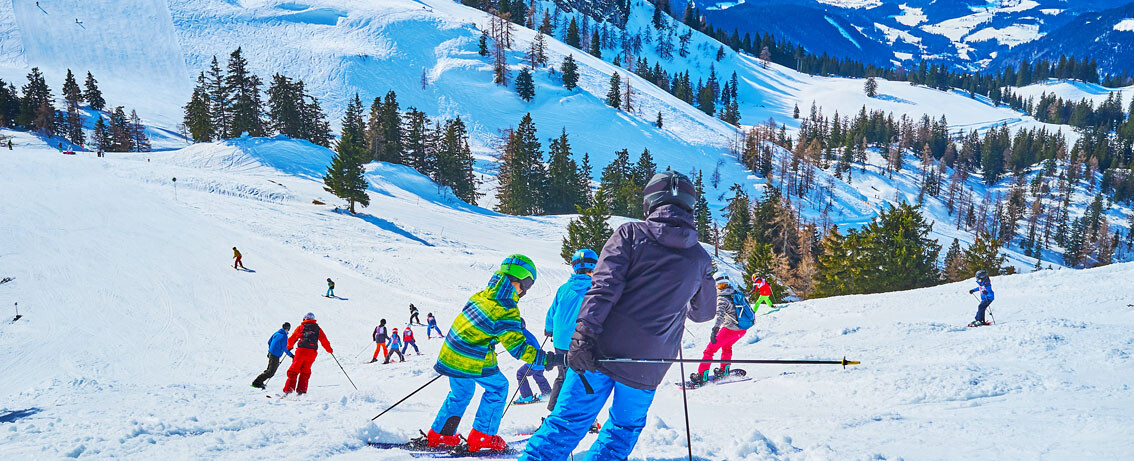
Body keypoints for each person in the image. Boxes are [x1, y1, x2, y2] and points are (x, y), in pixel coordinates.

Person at [521, 170, 715, 461]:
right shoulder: (700, 257)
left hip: (598, 354)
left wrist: (581, 338)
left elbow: (602, 290)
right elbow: (704, 313)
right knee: (620, 432)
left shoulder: (630, 234)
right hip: (649, 365)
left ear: (650, 203)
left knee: (565, 425)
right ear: (690, 206)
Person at [422, 254, 552, 453]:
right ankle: (482, 437)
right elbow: (518, 348)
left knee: (461, 393)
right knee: (498, 388)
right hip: (471, 357)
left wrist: (511, 326)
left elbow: (482, 323)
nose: (525, 292)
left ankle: (441, 435)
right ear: (520, 282)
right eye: (527, 285)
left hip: (451, 352)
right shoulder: (506, 307)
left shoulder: (481, 295)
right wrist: (546, 359)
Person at [542, 248, 597, 412]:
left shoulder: (564, 288)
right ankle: (578, 416)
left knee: (562, 376)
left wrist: (549, 329)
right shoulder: (593, 289)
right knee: (582, 378)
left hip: (560, 341)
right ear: (593, 268)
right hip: (579, 341)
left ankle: (553, 411)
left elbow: (552, 312)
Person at [691, 272, 751, 386]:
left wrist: (715, 329)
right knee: (727, 346)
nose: (720, 288)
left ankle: (702, 376)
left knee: (709, 350)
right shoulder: (736, 293)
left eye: (720, 285)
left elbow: (720, 315)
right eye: (720, 286)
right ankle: (725, 370)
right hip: (742, 329)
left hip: (730, 329)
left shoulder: (722, 298)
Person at [282, 312, 333, 395]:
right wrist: (329, 350)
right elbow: (324, 340)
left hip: (301, 351)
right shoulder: (317, 328)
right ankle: (301, 393)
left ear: (304, 319)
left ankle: (288, 391)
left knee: (294, 370)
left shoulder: (301, 327)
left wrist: (288, 347)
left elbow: (293, 338)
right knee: (305, 372)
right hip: (312, 353)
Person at [515, 324, 552, 404]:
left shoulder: (522, 335)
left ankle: (526, 396)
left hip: (535, 362)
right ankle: (547, 394)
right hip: (541, 361)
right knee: (538, 375)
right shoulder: (527, 333)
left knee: (520, 373)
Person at [252, 322, 294, 389]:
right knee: (271, 372)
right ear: (288, 329)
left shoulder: (276, 333)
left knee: (269, 370)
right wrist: (291, 355)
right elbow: (284, 348)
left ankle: (260, 381)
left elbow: (269, 342)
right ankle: (256, 382)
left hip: (271, 353)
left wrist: (270, 350)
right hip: (275, 355)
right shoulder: (284, 336)